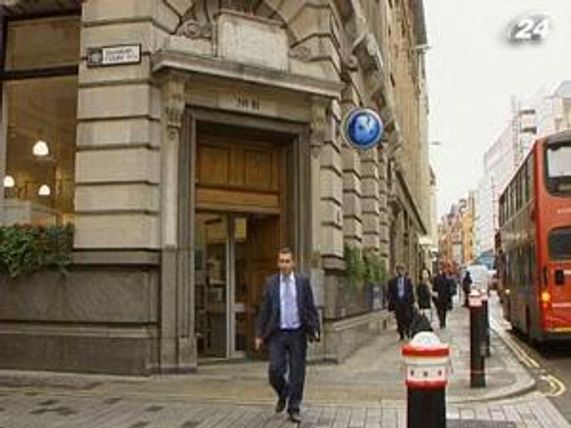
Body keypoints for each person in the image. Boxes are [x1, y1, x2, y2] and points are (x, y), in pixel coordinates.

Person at [255, 247, 320, 424]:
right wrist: (259, 334)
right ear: (278, 263)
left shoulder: (302, 282)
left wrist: (315, 328)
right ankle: (283, 392)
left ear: (293, 263)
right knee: (275, 369)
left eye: (287, 261)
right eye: (281, 261)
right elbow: (264, 310)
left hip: (297, 333)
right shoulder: (271, 283)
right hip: (277, 333)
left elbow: (310, 307)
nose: (284, 265)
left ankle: (294, 408)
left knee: (297, 372)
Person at [388, 263, 415, 340]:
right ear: (397, 271)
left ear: (404, 271)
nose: (400, 272)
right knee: (399, 319)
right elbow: (390, 293)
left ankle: (407, 331)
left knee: (407, 318)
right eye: (399, 270)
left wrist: (412, 302)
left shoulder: (408, 281)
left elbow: (411, 291)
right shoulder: (392, 281)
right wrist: (392, 302)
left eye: (402, 270)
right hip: (397, 303)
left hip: (406, 302)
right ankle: (401, 334)